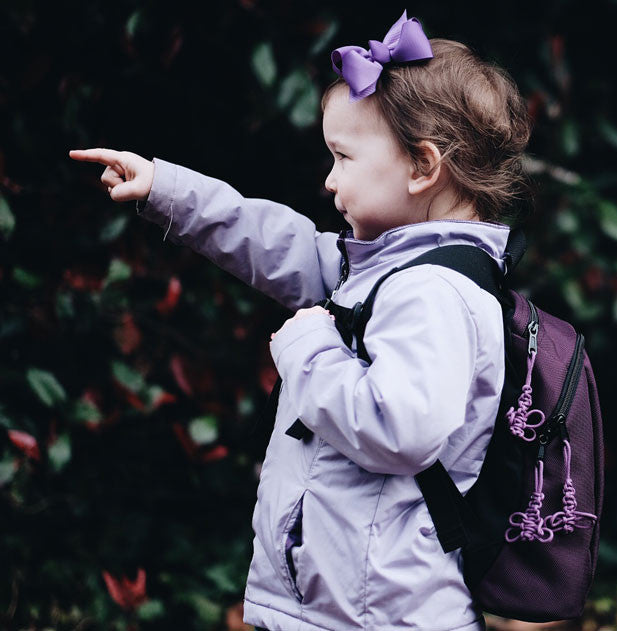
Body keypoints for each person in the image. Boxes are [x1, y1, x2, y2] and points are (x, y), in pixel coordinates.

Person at [69, 12, 531, 631]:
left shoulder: (433, 293)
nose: (328, 179)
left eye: (343, 158)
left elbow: (401, 428)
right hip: (338, 606)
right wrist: (165, 188)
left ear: (423, 167)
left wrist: (307, 348)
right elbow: (273, 241)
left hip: (379, 616)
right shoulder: (383, 270)